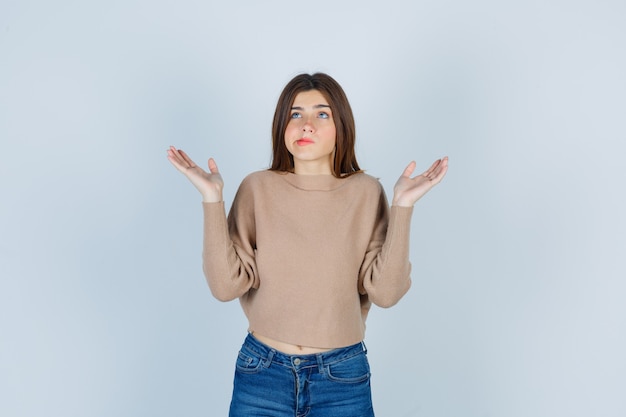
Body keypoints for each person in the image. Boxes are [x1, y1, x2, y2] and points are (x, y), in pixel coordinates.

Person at [167, 72, 448, 417]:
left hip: (342, 377)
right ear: (282, 126)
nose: (306, 125)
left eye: (322, 113)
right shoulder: (257, 188)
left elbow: (386, 294)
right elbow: (225, 286)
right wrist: (212, 198)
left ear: (341, 126)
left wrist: (402, 206)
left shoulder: (365, 192)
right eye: (295, 114)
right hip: (262, 374)